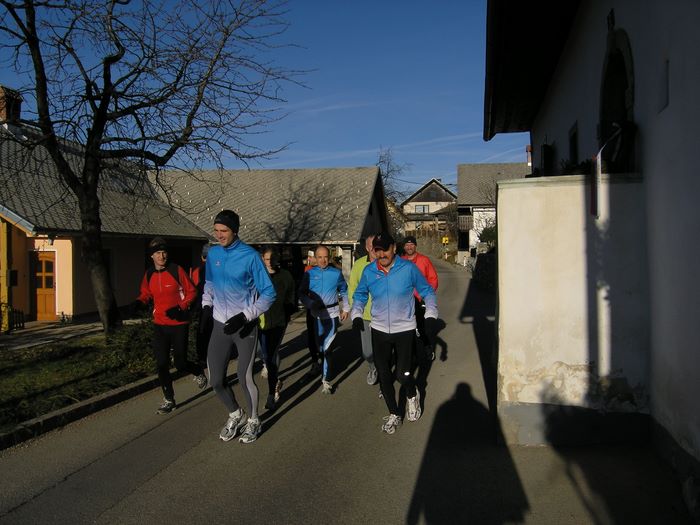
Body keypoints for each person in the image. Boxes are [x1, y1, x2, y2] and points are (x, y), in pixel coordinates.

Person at [351, 233, 438, 434]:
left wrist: (431, 314)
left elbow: (427, 291)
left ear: (393, 248)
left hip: (404, 329)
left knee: (402, 374)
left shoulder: (408, 269)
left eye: (385, 249)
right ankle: (393, 413)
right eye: (377, 250)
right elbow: (360, 294)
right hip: (379, 329)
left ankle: (411, 394)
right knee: (384, 374)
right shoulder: (369, 271)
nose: (381, 254)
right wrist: (356, 314)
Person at [203, 210, 276, 444]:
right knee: (215, 380)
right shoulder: (213, 253)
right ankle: (236, 413)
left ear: (234, 230)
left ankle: (254, 420)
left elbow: (269, 293)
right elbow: (210, 283)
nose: (219, 235)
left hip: (244, 326)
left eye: (224, 231)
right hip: (220, 324)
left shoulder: (250, 257)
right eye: (216, 230)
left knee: (244, 378)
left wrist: (246, 316)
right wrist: (206, 306)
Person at [134, 237, 207, 415]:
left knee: (180, 363)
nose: (162, 256)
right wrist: (139, 302)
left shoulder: (176, 270)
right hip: (159, 324)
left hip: (179, 323)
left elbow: (192, 292)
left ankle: (197, 370)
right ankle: (169, 399)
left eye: (164, 252)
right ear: (152, 256)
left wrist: (180, 307)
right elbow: (146, 293)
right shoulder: (149, 274)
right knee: (161, 364)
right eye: (158, 253)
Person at [298, 245, 350, 394]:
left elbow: (344, 290)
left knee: (327, 348)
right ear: (315, 258)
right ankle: (323, 364)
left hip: (332, 315)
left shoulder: (336, 273)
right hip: (316, 316)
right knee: (320, 347)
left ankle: (325, 379)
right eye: (319, 257)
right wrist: (309, 303)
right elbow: (301, 293)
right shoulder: (309, 274)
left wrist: (346, 308)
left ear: (330, 257)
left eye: (325, 257)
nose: (323, 260)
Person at [258, 247, 296, 411]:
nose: (270, 262)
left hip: (279, 321)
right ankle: (273, 376)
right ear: (262, 259)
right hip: (259, 322)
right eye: (267, 259)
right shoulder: (258, 275)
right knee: (262, 353)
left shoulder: (285, 275)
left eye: (273, 259)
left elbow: (291, 293)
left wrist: (289, 308)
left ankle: (271, 393)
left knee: (271, 356)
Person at [401, 235, 439, 361]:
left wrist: (426, 296)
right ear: (404, 247)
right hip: (405, 302)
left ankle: (428, 347)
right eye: (407, 245)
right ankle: (410, 353)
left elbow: (433, 279)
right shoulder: (400, 261)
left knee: (423, 328)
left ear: (415, 246)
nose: (409, 247)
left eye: (411, 244)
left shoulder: (424, 260)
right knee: (406, 328)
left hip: (420, 300)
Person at [347, 235, 378, 386]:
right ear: (366, 247)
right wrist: (355, 311)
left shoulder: (386, 262)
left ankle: (384, 375)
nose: (374, 248)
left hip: (384, 315)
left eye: (376, 245)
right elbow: (352, 288)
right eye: (371, 245)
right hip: (365, 315)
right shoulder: (359, 265)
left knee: (384, 349)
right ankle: (373, 367)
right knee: (367, 352)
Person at [190, 243, 212, 375]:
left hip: (202, 306)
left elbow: (193, 290)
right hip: (214, 306)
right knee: (208, 332)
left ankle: (203, 358)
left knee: (202, 332)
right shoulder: (217, 270)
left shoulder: (197, 271)